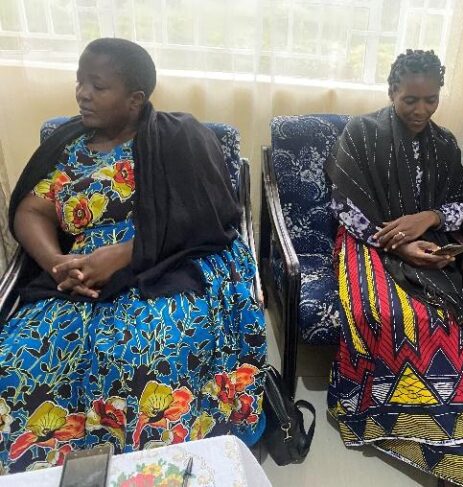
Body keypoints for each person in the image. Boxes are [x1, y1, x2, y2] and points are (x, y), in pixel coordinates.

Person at [0, 38, 266, 473]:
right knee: (18, 360)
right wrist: (56, 263)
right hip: (77, 276)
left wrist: (127, 254)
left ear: (135, 100)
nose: (83, 94)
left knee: (149, 353)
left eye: (98, 86)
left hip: (169, 263)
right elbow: (32, 209)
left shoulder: (179, 137)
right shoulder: (69, 146)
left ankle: (154, 470)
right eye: (79, 82)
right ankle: (54, 471)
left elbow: (211, 216)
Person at [326, 49, 463, 487]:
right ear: (391, 92)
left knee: (441, 319)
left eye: (431, 99)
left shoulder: (444, 143)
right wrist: (399, 244)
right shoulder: (361, 133)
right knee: (381, 313)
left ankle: (440, 437)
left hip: (427, 245)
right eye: (410, 100)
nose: (421, 110)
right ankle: (396, 427)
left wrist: (429, 218)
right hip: (367, 241)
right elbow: (344, 207)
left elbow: (461, 205)